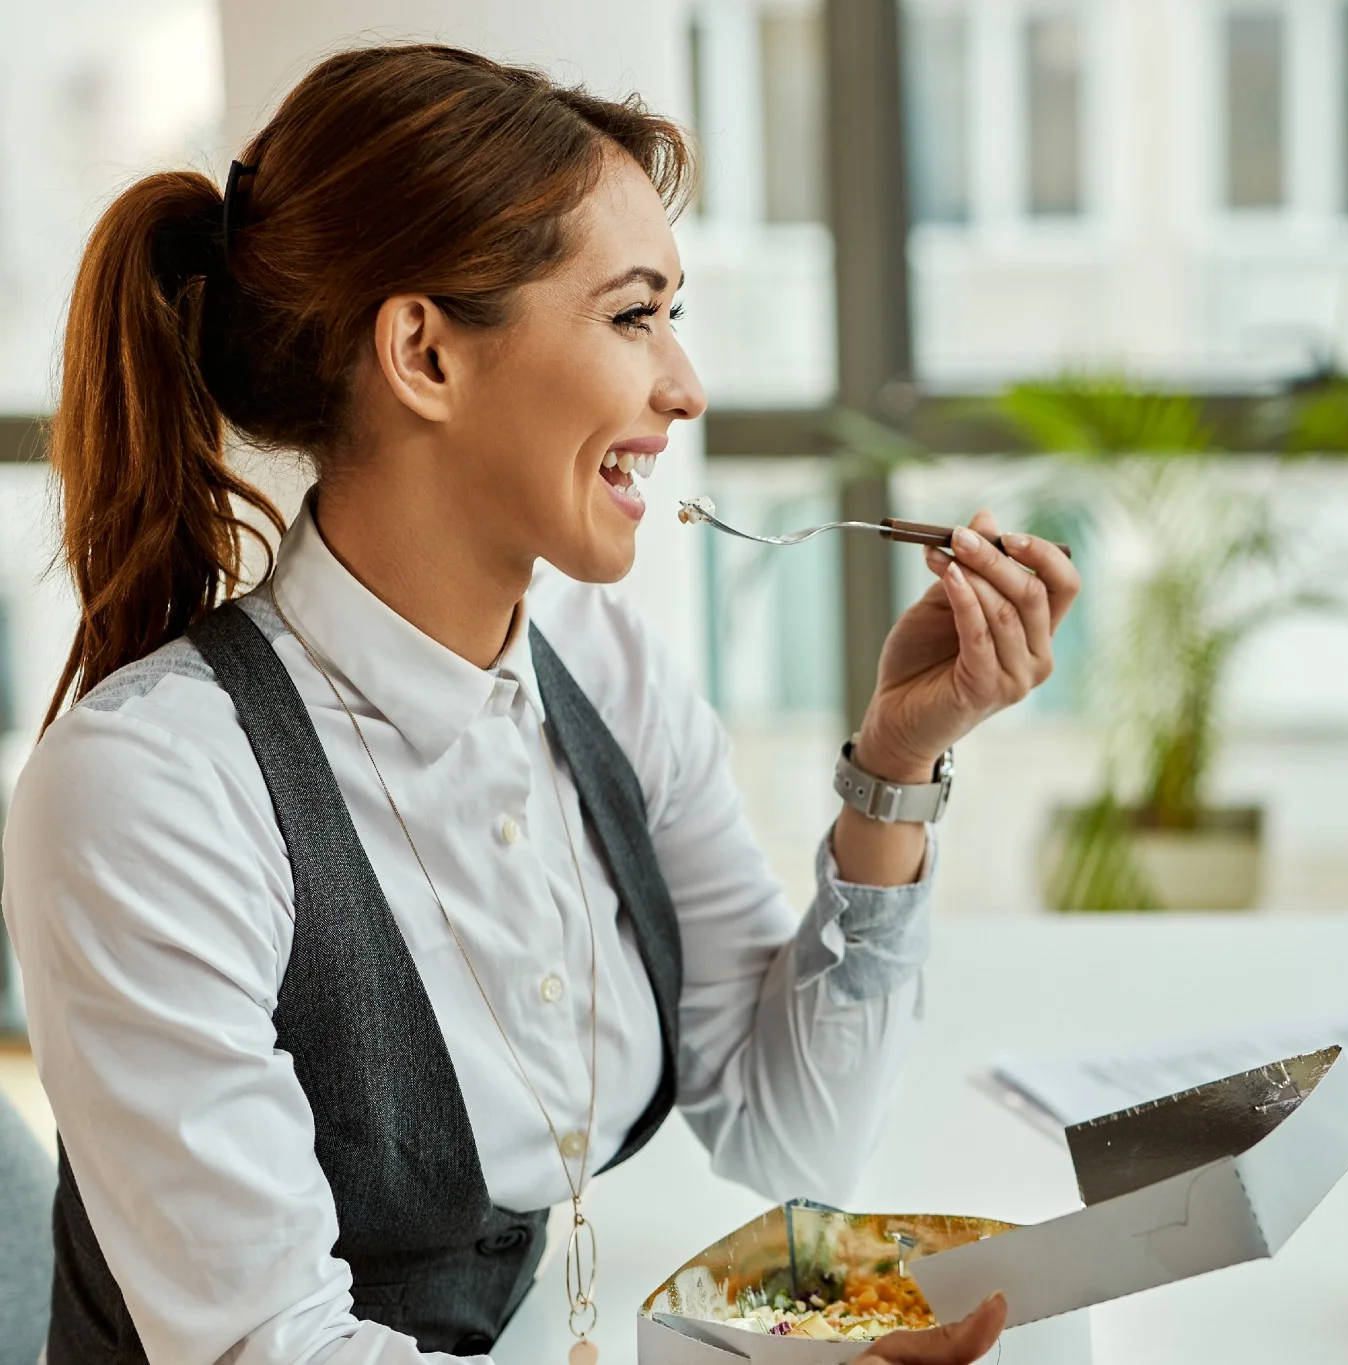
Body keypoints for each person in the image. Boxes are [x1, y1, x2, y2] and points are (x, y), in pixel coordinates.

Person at [0, 44, 1078, 1365]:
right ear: (425, 355)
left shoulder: (606, 674)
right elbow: (267, 1349)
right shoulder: (151, 789)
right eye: (635, 317)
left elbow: (795, 1133)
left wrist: (896, 769)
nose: (684, 388)